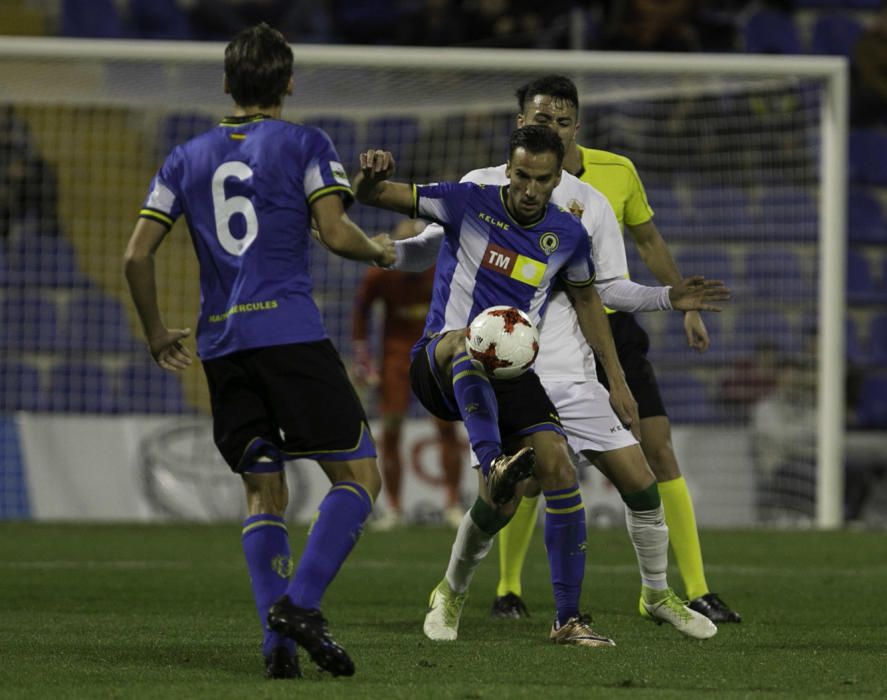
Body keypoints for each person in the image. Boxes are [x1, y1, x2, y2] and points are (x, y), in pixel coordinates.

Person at [355, 125, 717, 647]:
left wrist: (615, 377)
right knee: (469, 341)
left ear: (556, 179)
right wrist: (370, 180)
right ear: (508, 169)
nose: (529, 189)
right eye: (521, 176)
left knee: (556, 471)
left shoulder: (568, 236)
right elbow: (379, 196)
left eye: (541, 180)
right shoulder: (466, 202)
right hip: (439, 359)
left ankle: (561, 617)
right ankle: (489, 467)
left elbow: (590, 302)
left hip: (511, 371)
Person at [123, 23, 394, 681]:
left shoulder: (182, 157)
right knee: (359, 479)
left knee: (262, 491)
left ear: (225, 83)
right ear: (289, 82)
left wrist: (159, 333)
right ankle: (299, 608)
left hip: (221, 345)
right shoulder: (305, 142)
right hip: (290, 335)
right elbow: (334, 232)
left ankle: (276, 650)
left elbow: (135, 255)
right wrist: (380, 249)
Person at [478, 74, 740, 624]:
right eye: (541, 119)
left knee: (657, 446)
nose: (552, 128)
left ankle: (694, 588)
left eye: (562, 120)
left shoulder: (614, 175)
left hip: (610, 328)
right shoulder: (503, 184)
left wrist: (682, 303)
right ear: (523, 123)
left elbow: (646, 241)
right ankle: (507, 587)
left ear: (577, 123)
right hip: (544, 335)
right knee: (531, 469)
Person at [351, 221, 465, 529]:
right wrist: (364, 359)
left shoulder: (442, 265)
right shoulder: (381, 272)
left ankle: (452, 504)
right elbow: (359, 312)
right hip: (396, 354)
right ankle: (394, 509)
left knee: (446, 426)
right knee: (391, 428)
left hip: (434, 350)